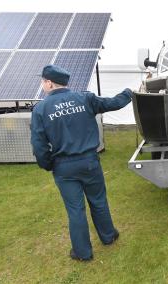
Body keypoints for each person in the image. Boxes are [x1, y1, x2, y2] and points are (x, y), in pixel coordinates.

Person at [30, 65, 132, 261]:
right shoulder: (85, 98)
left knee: (75, 209)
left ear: (49, 83)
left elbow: (39, 145)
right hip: (90, 162)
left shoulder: (41, 109)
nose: (42, 84)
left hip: (64, 167)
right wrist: (129, 92)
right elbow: (114, 103)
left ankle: (83, 253)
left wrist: (48, 164)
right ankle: (108, 236)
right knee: (99, 201)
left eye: (43, 81)